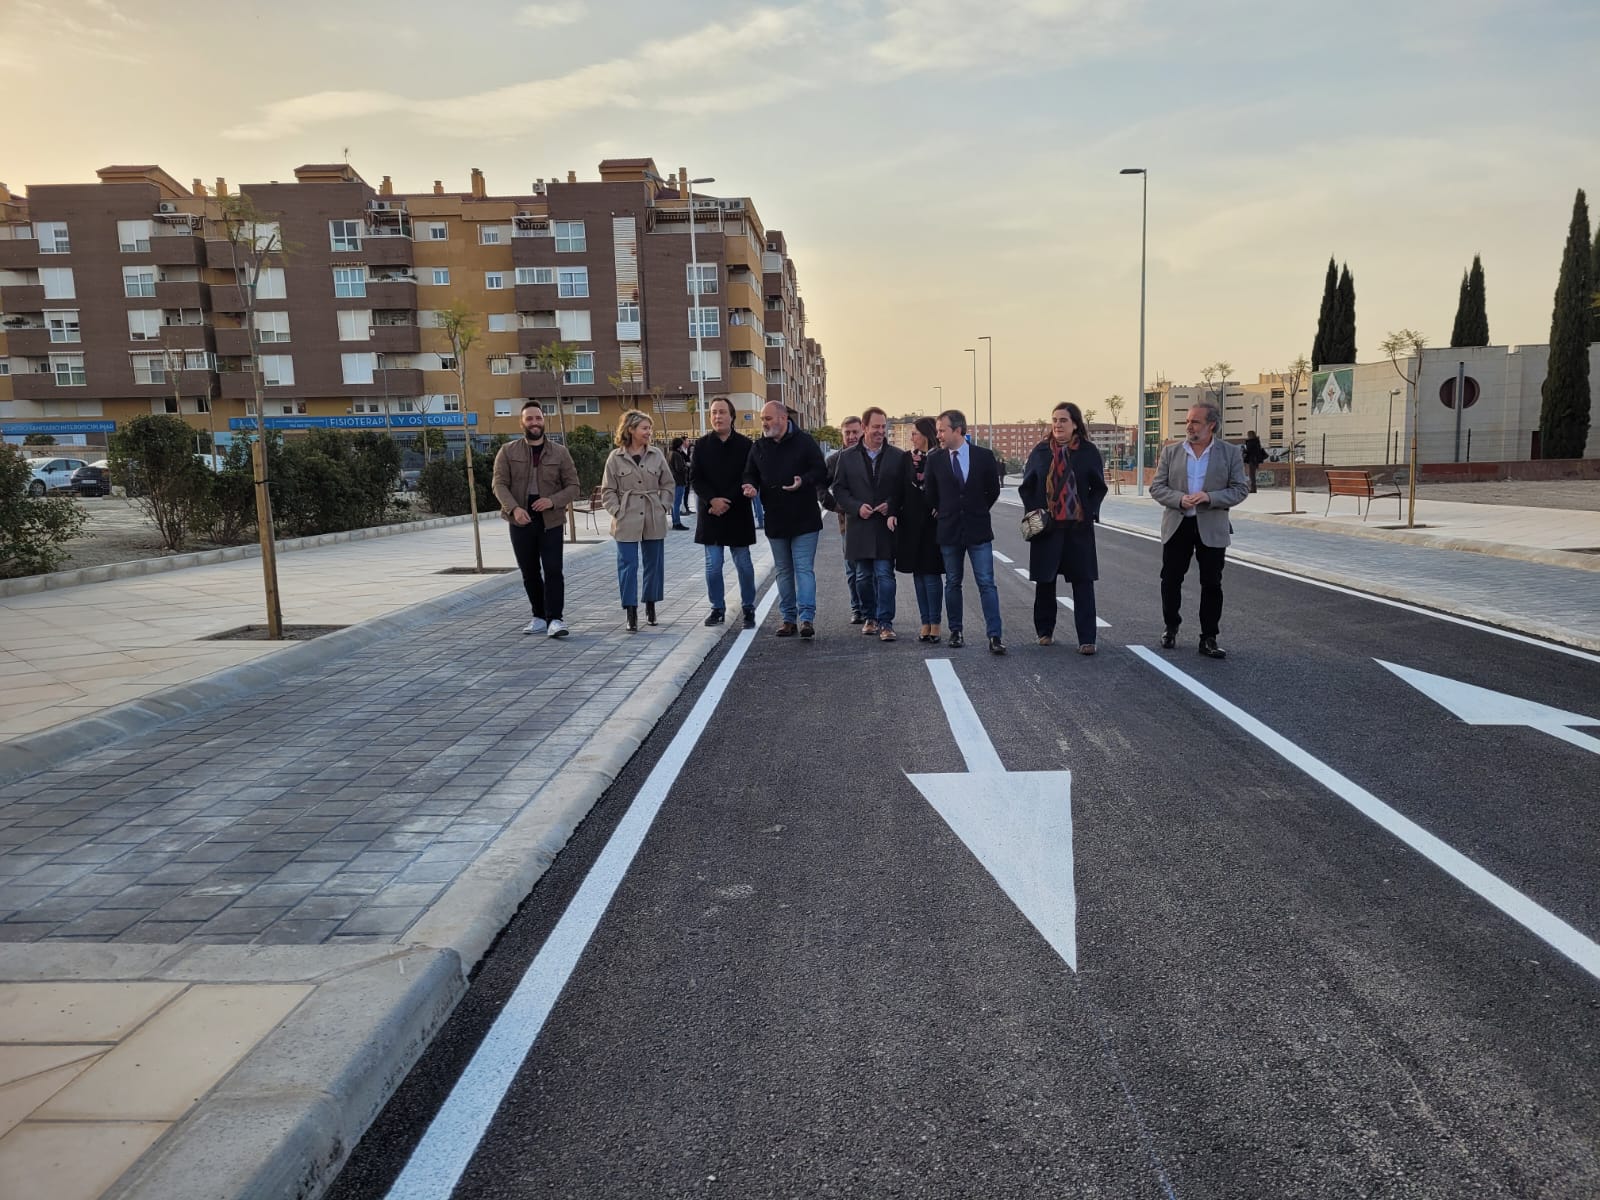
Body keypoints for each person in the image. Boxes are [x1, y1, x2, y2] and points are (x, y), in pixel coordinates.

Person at [1150, 402, 1251, 659]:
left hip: (1212, 525)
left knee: (1211, 583)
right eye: (1187, 421)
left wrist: (1210, 497)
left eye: (1195, 422)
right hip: (1178, 524)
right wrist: (1178, 499)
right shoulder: (1171, 452)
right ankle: (1170, 627)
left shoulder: (1229, 453)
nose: (1189, 426)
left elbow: (1240, 489)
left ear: (1211, 425)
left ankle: (1209, 638)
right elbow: (1157, 487)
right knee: (1171, 580)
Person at [1019, 402, 1108, 653]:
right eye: (1055, 420)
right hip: (1048, 528)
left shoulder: (1088, 452)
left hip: (1078, 529)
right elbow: (1026, 487)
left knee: (1083, 582)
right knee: (1045, 582)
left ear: (1075, 424)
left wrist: (1088, 512)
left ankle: (1087, 639)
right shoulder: (1040, 452)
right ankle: (1045, 631)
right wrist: (1036, 513)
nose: (1058, 425)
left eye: (1063, 420)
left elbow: (1098, 487)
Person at [491, 400, 582, 638]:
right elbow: (499, 484)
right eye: (529, 418)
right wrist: (513, 509)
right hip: (520, 519)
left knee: (553, 569)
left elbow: (573, 486)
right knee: (529, 571)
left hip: (550, 520)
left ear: (544, 421)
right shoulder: (508, 451)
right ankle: (539, 616)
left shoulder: (560, 453)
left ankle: (556, 619)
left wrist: (553, 501)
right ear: (522, 422)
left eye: (538, 418)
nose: (534, 423)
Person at [922, 409, 1005, 654]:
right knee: (953, 582)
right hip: (949, 530)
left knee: (986, 583)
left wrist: (976, 509)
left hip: (978, 529)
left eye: (942, 430)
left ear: (957, 430)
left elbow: (993, 490)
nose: (938, 435)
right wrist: (945, 510)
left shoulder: (983, 456)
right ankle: (955, 632)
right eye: (938, 430)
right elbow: (930, 494)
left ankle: (995, 636)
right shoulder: (935, 459)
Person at [743, 399, 827, 638]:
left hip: (804, 518)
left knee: (803, 569)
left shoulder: (805, 442)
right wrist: (749, 486)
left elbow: (821, 471)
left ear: (783, 418)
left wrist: (803, 480)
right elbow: (749, 472)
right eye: (762, 419)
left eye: (768, 418)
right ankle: (788, 619)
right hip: (776, 518)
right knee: (783, 570)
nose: (764, 423)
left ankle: (807, 619)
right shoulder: (759, 446)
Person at [830, 406, 907, 641]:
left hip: (884, 525)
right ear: (864, 428)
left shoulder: (897, 456)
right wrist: (855, 507)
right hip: (859, 525)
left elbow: (903, 489)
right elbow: (839, 489)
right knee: (862, 577)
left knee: (885, 575)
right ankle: (869, 618)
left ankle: (886, 623)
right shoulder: (847, 456)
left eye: (883, 427)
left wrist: (890, 504)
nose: (880, 431)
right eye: (876, 427)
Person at [602, 409, 674, 633]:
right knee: (627, 565)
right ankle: (630, 611)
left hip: (653, 514)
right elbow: (608, 490)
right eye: (644, 428)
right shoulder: (615, 458)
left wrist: (663, 506)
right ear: (631, 429)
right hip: (626, 518)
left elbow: (668, 484)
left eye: (649, 428)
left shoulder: (656, 454)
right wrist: (617, 510)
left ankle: (651, 604)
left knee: (654, 564)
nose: (648, 432)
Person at [691, 397, 757, 629]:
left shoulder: (746, 445)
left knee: (744, 564)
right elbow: (696, 479)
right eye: (713, 413)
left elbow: (748, 475)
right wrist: (713, 500)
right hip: (711, 513)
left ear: (732, 416)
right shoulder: (700, 445)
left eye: (722, 412)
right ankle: (717, 608)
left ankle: (748, 607)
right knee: (713, 565)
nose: (717, 416)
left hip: (737, 511)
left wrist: (727, 500)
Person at [895, 416, 945, 642]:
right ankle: (924, 621)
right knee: (918, 574)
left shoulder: (941, 457)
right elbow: (897, 488)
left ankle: (935, 623)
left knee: (932, 574)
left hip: (933, 524)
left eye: (915, 433)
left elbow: (948, 487)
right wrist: (893, 512)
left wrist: (942, 507)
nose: (911, 437)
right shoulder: (906, 459)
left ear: (926, 435)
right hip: (911, 523)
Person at [823, 415, 866, 623]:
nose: (851, 436)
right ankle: (857, 608)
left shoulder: (872, 456)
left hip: (873, 522)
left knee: (873, 570)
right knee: (852, 569)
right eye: (847, 433)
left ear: (862, 431)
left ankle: (873, 610)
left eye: (855, 432)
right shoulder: (834, 460)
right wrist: (835, 506)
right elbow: (821, 486)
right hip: (847, 524)